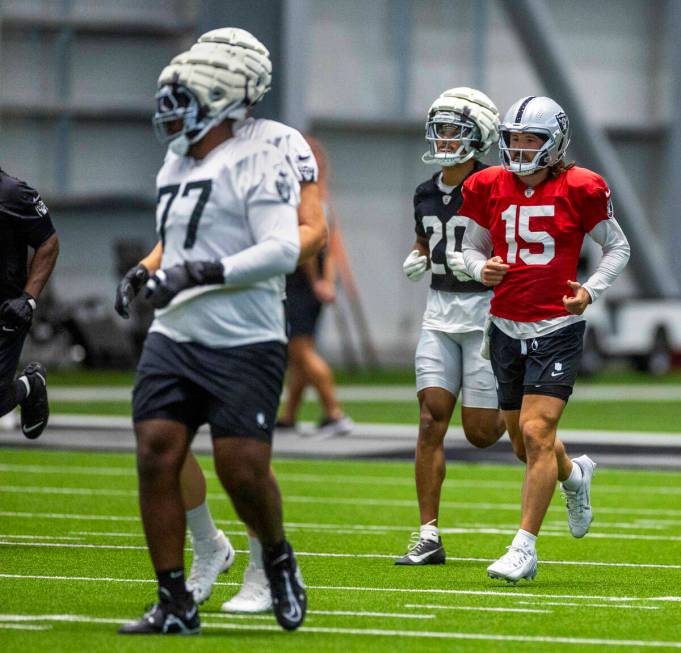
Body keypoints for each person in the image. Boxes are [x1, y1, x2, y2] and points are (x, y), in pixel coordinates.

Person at [115, 29, 327, 615]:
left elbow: (306, 234)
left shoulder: (276, 145)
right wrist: (149, 268)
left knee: (243, 466)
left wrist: (216, 271)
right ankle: (200, 556)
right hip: (180, 323)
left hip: (246, 316)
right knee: (161, 446)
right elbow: (180, 234)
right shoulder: (181, 150)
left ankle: (268, 564)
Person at [461, 95, 630, 582]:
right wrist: (480, 268)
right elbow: (468, 248)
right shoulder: (487, 184)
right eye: (513, 139)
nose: (519, 149)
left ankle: (524, 548)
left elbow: (617, 247)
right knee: (523, 442)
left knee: (537, 433)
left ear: (554, 143)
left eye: (530, 139)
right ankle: (574, 476)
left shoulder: (582, 186)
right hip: (506, 325)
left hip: (557, 326)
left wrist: (590, 291)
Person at [394, 88, 506, 566]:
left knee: (482, 434)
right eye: (439, 128)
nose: (443, 138)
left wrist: (480, 266)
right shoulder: (425, 191)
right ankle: (428, 535)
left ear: (478, 135)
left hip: (485, 316)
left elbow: (510, 250)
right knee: (429, 420)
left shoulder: (496, 185)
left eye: (454, 130)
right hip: (439, 313)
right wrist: (419, 257)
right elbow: (425, 238)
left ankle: (524, 408)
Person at [277, 136, 354, 438]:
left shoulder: (302, 198)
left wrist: (317, 281)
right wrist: (327, 281)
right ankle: (289, 415)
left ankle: (334, 412)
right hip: (312, 285)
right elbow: (330, 249)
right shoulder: (322, 199)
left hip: (299, 283)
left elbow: (308, 245)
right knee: (300, 353)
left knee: (300, 349)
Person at [0, 169, 59, 439]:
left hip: (7, 310)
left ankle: (31, 384)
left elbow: (48, 241)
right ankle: (28, 386)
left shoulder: (13, 193)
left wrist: (28, 299)